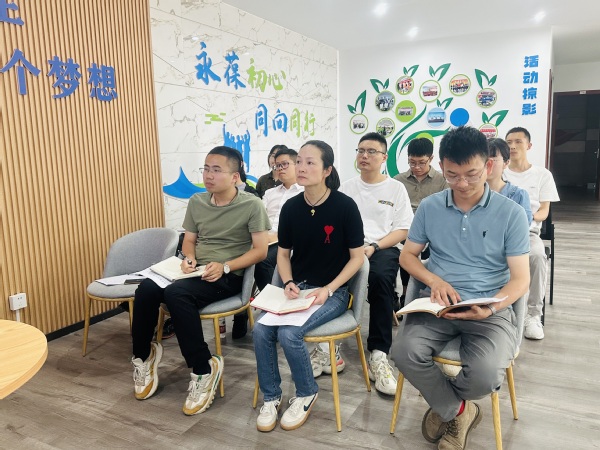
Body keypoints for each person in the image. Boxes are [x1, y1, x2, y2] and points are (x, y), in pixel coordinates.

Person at [392, 126, 530, 450]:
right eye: (453, 175)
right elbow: (407, 256)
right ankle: (459, 411)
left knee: (486, 374)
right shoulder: (430, 207)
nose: (463, 184)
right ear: (441, 167)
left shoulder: (511, 213)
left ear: (489, 166)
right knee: (403, 352)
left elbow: (521, 279)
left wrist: (493, 306)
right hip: (437, 305)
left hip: (489, 308)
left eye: (472, 174)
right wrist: (434, 281)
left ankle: (446, 405)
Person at [130, 146, 270, 415]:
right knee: (146, 289)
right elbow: (190, 241)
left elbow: (261, 251)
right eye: (206, 169)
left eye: (216, 170)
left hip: (228, 275)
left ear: (235, 177)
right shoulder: (197, 201)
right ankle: (143, 357)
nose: (208, 175)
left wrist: (226, 266)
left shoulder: (251, 205)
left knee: (176, 294)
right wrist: (189, 258)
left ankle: (203, 368)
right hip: (195, 272)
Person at [253, 140, 364, 432]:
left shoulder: (345, 206)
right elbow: (283, 255)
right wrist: (288, 282)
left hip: (333, 292)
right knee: (261, 330)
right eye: (299, 161)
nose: (301, 167)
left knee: (289, 334)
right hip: (298, 289)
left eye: (310, 162)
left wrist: (329, 288)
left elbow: (357, 258)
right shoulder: (291, 207)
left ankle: (306, 392)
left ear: (327, 170)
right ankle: (271, 396)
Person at [309, 131, 411, 396]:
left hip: (382, 247)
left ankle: (378, 353)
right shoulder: (347, 187)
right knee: (327, 275)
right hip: (349, 247)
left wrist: (374, 247)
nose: (364, 156)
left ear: (384, 157)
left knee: (380, 278)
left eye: (371, 151)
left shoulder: (395, 188)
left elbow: (402, 230)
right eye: (360, 150)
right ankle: (329, 346)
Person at [504, 127, 560, 340]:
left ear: (529, 145)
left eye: (518, 141)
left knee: (537, 255)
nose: (512, 146)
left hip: (527, 232)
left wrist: (524, 217)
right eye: (509, 142)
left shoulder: (542, 175)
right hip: (499, 231)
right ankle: (502, 310)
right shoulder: (499, 172)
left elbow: (544, 211)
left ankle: (533, 315)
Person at [394, 138, 448, 303]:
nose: (416, 167)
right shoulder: (398, 181)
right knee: (405, 251)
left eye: (421, 163)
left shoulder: (442, 180)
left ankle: (427, 291)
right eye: (412, 162)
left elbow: (445, 211)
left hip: (432, 229)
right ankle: (405, 293)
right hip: (405, 229)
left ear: (431, 159)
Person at [254, 147, 304, 291]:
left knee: (262, 260)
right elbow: (258, 217)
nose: (280, 169)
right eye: (277, 165)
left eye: (284, 164)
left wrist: (277, 237)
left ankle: (273, 299)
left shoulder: (305, 192)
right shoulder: (270, 193)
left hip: (289, 242)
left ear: (297, 164)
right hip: (265, 239)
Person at [487, 138, 533, 224]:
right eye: (484, 160)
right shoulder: (471, 192)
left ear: (506, 163)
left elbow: (524, 225)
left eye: (493, 160)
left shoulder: (519, 195)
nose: (487, 164)